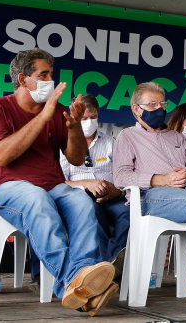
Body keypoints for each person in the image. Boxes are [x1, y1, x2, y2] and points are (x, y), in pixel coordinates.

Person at [0, 48, 117, 316]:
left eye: (52, 74)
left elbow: (76, 159)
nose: (50, 80)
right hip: (9, 187)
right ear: (22, 79)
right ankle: (76, 283)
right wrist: (42, 116)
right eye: (44, 74)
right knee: (36, 198)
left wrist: (74, 126)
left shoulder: (59, 112)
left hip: (53, 185)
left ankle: (82, 288)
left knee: (81, 201)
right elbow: (1, 156)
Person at [112, 82, 186, 308]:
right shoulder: (127, 137)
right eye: (152, 104)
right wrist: (160, 179)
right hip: (151, 199)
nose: (159, 108)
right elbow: (121, 177)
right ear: (136, 109)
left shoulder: (176, 137)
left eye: (162, 103)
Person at [59, 94, 130, 264]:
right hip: (81, 196)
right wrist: (87, 184)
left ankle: (113, 260)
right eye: (84, 118)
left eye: (93, 117)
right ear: (75, 117)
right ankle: (103, 266)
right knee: (91, 214)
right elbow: (59, 181)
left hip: (112, 195)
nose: (89, 122)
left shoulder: (110, 142)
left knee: (129, 213)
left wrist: (117, 189)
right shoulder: (64, 144)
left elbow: (124, 173)